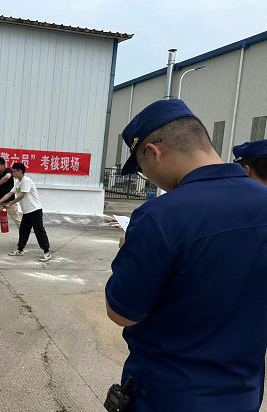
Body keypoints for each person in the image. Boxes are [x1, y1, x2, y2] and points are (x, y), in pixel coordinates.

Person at [105, 99, 267, 412]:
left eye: (141, 167)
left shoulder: (159, 216)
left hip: (167, 395)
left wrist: (129, 254)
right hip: (243, 395)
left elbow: (122, 313)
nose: (147, 175)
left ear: (153, 152)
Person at [0, 163, 51, 262]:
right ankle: (20, 250)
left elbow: (22, 195)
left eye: (14, 171)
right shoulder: (18, 182)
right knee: (23, 231)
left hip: (35, 210)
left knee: (39, 231)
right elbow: (10, 193)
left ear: (20, 171)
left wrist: (10, 204)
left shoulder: (26, 181)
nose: (13, 173)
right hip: (27, 212)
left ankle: (47, 252)